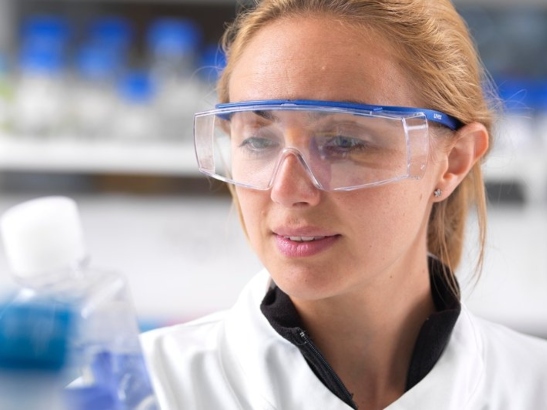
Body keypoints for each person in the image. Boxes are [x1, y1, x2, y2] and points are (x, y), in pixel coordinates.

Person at [141, 1, 547, 409]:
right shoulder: (141, 388)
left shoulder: (533, 386)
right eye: (259, 140)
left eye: (344, 142)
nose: (286, 189)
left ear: (453, 161)